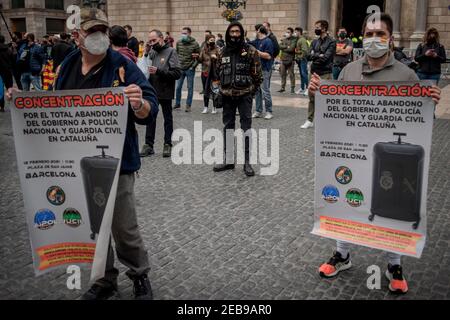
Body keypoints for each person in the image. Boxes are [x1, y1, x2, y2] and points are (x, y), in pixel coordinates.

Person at [308, 13, 441, 295]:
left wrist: (430, 101)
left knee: (394, 203)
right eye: (369, 34)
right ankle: (342, 255)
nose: (373, 39)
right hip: (352, 151)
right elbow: (335, 106)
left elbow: (417, 119)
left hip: (392, 156)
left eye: (380, 34)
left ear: (390, 39)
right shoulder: (349, 71)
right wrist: (316, 92)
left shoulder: (407, 75)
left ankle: (394, 264)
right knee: (345, 199)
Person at [48, 6, 158, 300]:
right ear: (77, 36)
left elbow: (149, 109)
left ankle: (139, 274)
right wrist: (22, 104)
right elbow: (52, 108)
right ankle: (104, 280)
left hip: (118, 161)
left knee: (124, 227)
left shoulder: (122, 65)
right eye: (91, 31)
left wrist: (138, 103)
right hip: (79, 162)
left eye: (103, 31)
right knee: (95, 228)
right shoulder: (66, 67)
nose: (99, 37)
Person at [212, 21, 263, 177]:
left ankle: (247, 163)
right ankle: (228, 160)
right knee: (228, 127)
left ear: (242, 33)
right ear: (228, 33)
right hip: (227, 96)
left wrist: (250, 93)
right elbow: (217, 75)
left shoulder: (251, 51)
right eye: (232, 32)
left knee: (246, 128)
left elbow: (258, 76)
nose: (235, 34)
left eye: (237, 32)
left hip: (244, 95)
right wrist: (217, 92)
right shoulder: (221, 52)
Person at [139, 29, 181, 158]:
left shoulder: (171, 51)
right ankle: (148, 145)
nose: (152, 43)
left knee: (167, 118)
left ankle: (167, 144)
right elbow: (144, 68)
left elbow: (177, 73)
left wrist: (159, 71)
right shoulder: (151, 52)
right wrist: (145, 54)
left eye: (154, 40)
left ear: (161, 38)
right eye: (150, 41)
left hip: (165, 90)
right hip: (152, 90)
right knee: (150, 117)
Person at [301, 20, 336, 129]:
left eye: (318, 27)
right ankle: (309, 120)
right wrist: (319, 55)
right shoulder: (314, 42)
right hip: (314, 72)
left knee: (325, 98)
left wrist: (316, 56)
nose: (315, 29)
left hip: (325, 73)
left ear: (324, 28)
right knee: (312, 98)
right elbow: (308, 56)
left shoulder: (331, 42)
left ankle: (325, 121)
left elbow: (326, 58)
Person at [250, 25, 274, 120]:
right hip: (257, 69)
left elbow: (268, 56)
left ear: (260, 31)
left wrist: (257, 52)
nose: (255, 32)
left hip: (265, 69)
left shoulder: (268, 41)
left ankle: (269, 111)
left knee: (265, 91)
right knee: (257, 91)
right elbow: (248, 44)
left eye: (256, 30)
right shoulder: (257, 41)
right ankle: (258, 111)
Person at [174, 27, 200, 112]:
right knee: (178, 87)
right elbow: (176, 54)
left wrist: (193, 66)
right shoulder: (178, 43)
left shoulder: (195, 44)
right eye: (182, 33)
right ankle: (177, 104)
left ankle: (188, 105)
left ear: (189, 33)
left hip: (190, 69)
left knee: (190, 87)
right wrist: (177, 65)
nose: (183, 35)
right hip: (180, 69)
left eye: (185, 33)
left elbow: (199, 57)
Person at [198, 34, 219, 114]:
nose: (213, 42)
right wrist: (197, 57)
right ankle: (205, 107)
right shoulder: (203, 49)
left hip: (214, 73)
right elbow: (200, 60)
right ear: (207, 41)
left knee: (215, 90)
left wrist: (216, 58)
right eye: (211, 40)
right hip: (205, 72)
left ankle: (214, 107)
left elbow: (220, 60)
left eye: (213, 40)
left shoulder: (217, 49)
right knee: (205, 90)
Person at [278, 27, 297, 94]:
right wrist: (286, 47)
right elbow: (279, 46)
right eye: (287, 32)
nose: (287, 33)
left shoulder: (294, 39)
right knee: (283, 74)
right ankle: (282, 87)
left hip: (290, 60)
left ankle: (292, 88)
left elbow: (291, 49)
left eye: (288, 32)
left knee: (291, 74)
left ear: (291, 33)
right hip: (283, 59)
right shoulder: (284, 39)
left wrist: (284, 48)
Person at [0, 34, 14, 112]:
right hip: (8, 71)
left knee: (0, 89)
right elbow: (12, 60)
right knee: (9, 88)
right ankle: (12, 104)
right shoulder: (8, 50)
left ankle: (1, 106)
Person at [294, 27, 309, 95]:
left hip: (302, 59)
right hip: (299, 59)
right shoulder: (298, 39)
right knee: (301, 74)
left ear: (299, 32)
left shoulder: (302, 40)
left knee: (304, 74)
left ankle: (308, 88)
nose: (295, 33)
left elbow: (305, 50)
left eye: (296, 32)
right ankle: (302, 88)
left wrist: (298, 52)